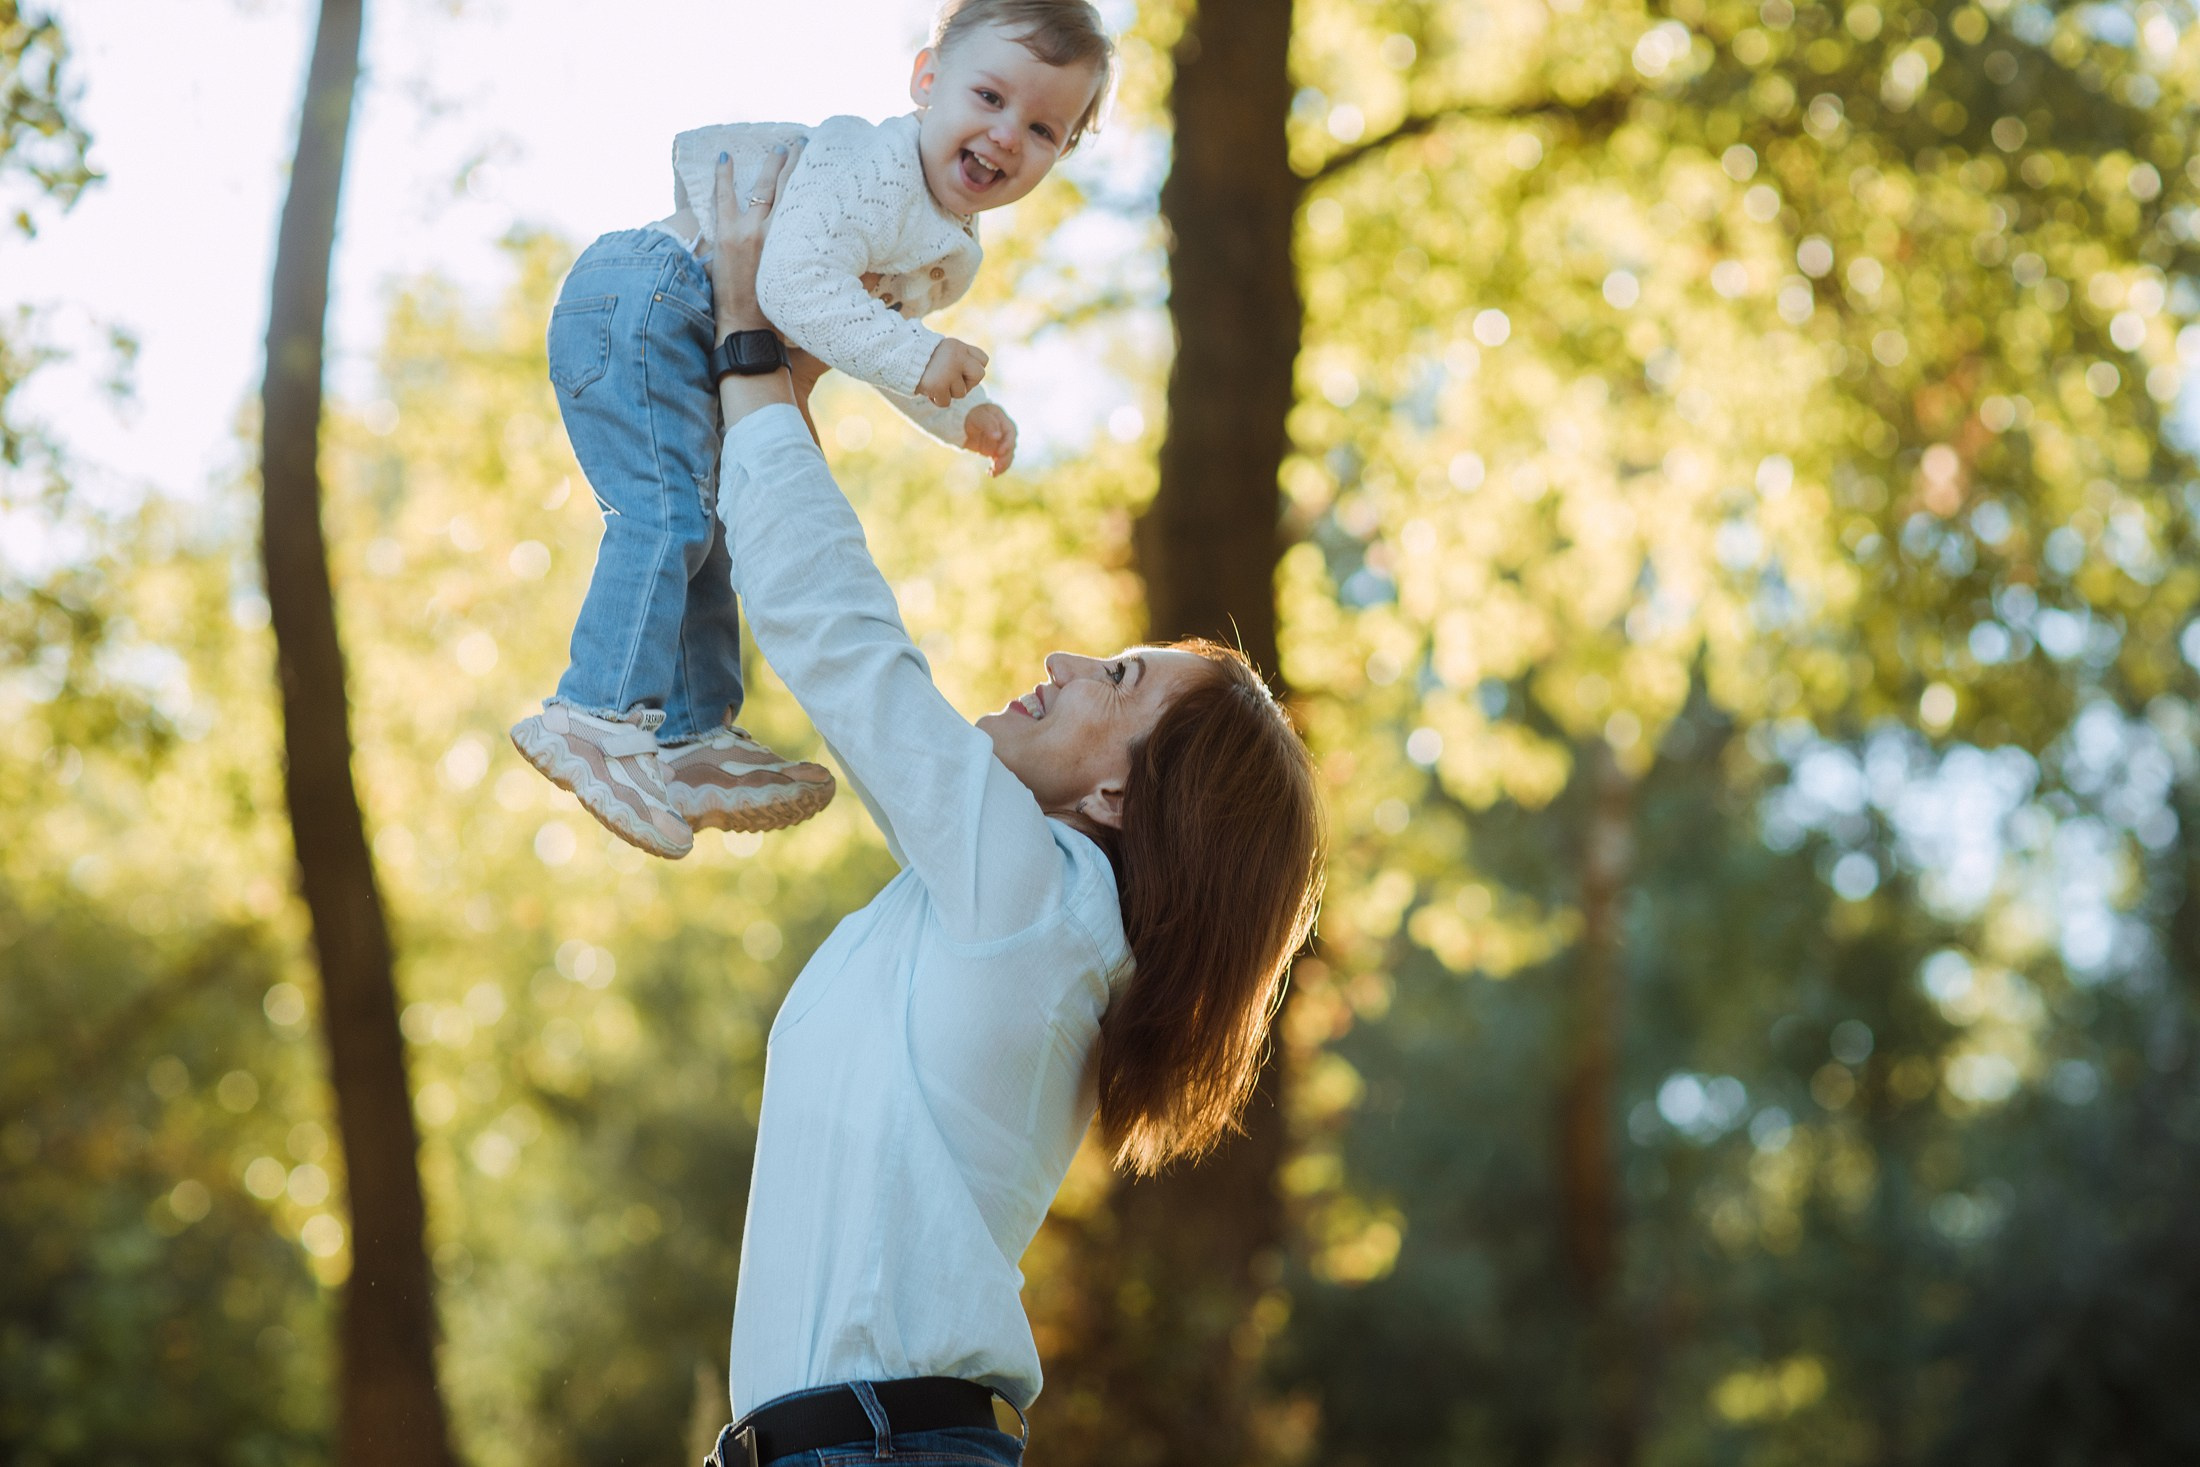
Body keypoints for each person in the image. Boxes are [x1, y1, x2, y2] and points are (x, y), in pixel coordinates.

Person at [695, 146, 1325, 1467]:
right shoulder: (996, 907)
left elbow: (846, 644)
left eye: (1115, 679)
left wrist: (747, 336)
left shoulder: (1036, 901)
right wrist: (793, 375)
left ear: (1119, 789)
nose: (1058, 662)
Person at [509, 0, 1114, 862]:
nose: (1008, 134)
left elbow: (859, 334)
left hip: (684, 318)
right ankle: (595, 715)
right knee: (668, 512)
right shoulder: (873, 169)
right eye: (988, 97)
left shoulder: (943, 240)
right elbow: (794, 290)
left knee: (713, 516)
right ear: (925, 81)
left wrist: (961, 415)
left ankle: (687, 738)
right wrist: (920, 355)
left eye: (1044, 128)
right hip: (647, 292)